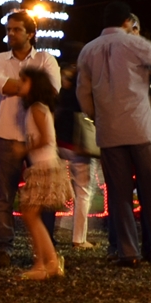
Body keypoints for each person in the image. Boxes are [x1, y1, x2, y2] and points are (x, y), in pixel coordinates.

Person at [75, 1, 151, 267]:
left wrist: (96, 116)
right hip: (140, 125)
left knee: (119, 194)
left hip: (108, 130)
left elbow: (82, 93)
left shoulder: (88, 50)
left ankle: (127, 252)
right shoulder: (136, 43)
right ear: (127, 22)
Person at [0, 11, 61, 269]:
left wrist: (16, 86)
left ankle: (45, 250)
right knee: (4, 196)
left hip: (36, 139)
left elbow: (52, 91)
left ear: (30, 34)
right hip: (8, 135)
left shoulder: (46, 58)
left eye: (16, 29)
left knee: (43, 198)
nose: (10, 34)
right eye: (8, 29)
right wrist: (29, 85)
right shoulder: (0, 59)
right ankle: (3, 248)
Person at [11, 66, 72, 280]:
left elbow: (46, 138)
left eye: (23, 80)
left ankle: (45, 263)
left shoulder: (36, 108)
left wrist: (24, 150)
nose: (19, 83)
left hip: (44, 167)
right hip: (43, 166)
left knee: (30, 215)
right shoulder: (37, 108)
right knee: (30, 215)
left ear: (34, 85)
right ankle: (49, 262)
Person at [54, 65, 99, 250]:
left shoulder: (62, 94)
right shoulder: (83, 93)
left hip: (60, 145)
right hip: (78, 146)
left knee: (63, 190)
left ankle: (57, 228)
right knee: (84, 192)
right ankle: (79, 238)